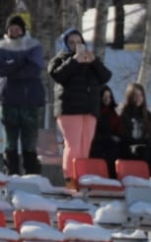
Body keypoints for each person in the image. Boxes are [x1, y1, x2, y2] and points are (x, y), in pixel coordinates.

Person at [48, 27, 110, 187]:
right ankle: (70, 180)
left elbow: (106, 76)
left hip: (89, 110)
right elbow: (57, 75)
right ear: (66, 44)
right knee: (73, 145)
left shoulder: (90, 61)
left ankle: (82, 179)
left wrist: (94, 62)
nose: (76, 45)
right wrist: (75, 60)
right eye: (71, 42)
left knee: (85, 147)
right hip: (69, 109)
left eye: (79, 42)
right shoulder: (61, 59)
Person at [0, 13, 45, 176]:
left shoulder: (34, 45)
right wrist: (20, 64)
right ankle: (10, 172)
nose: (14, 31)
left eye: (17, 28)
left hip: (30, 99)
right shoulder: (2, 46)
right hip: (8, 99)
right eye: (11, 28)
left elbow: (34, 68)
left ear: (23, 30)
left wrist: (11, 67)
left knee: (29, 141)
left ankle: (31, 174)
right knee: (10, 141)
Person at [89, 85, 122, 176]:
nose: (107, 99)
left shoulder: (113, 114)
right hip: (98, 143)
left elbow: (119, 129)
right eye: (104, 97)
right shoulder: (95, 112)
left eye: (109, 97)